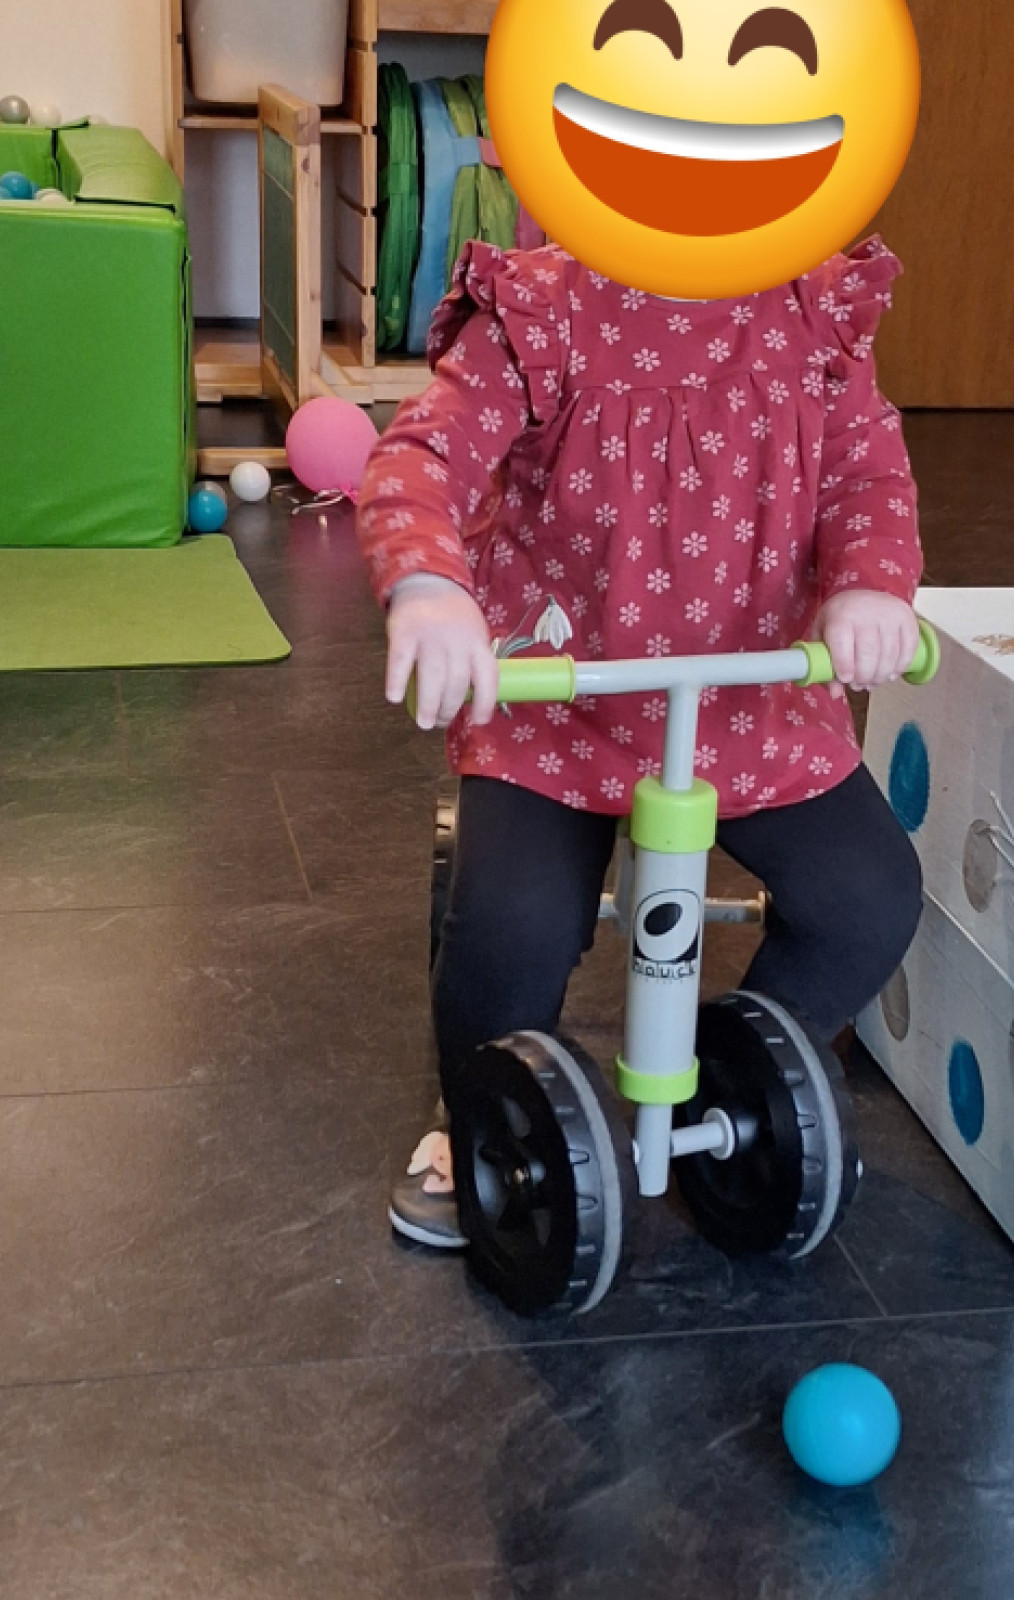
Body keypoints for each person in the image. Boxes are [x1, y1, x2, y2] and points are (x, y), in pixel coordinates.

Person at [358, 236, 924, 1248]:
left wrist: (872, 581)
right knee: (512, 928)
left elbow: (865, 472)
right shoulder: (542, 309)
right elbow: (422, 453)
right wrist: (429, 581)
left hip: (748, 699)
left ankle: (744, 1072)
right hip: (558, 700)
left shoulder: (813, 310)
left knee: (868, 897)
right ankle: (485, 1114)